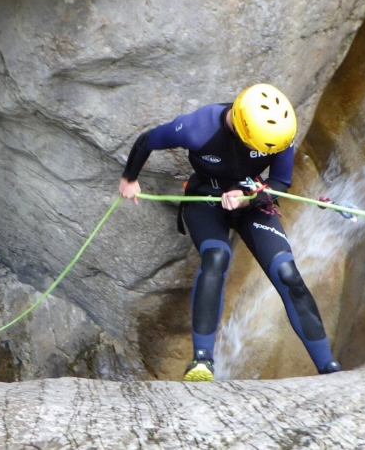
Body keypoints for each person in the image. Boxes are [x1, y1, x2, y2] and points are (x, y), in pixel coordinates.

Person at [118, 84, 341, 382]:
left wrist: (248, 198)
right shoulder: (198, 127)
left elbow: (280, 183)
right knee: (216, 257)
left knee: (287, 272)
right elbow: (148, 140)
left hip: (251, 199)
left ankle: (327, 367)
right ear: (241, 129)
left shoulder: (277, 135)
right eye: (258, 148)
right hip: (205, 198)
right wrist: (130, 179)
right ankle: (202, 361)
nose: (261, 152)